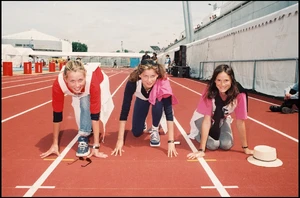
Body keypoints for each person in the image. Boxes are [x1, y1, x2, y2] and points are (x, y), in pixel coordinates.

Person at [40, 60, 114, 159]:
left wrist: (96, 146)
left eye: (80, 80)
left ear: (85, 77)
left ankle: (83, 135)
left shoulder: (92, 82)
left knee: (85, 102)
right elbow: (57, 114)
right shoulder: (58, 84)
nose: (77, 85)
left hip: (100, 81)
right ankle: (86, 128)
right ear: (66, 79)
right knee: (79, 108)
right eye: (72, 81)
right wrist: (54, 144)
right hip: (85, 85)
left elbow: (95, 114)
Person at [111, 59, 178, 157]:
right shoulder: (132, 82)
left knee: (158, 102)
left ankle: (155, 129)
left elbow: (169, 112)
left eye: (153, 76)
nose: (149, 80)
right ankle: (143, 123)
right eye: (145, 76)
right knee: (136, 132)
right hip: (141, 99)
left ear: (157, 75)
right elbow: (125, 109)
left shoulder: (163, 83)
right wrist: (120, 140)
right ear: (140, 75)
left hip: (157, 100)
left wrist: (171, 141)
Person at [187, 64, 253, 159]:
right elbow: (207, 120)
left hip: (222, 118)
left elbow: (240, 121)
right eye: (219, 80)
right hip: (202, 117)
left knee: (227, 145)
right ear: (214, 80)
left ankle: (217, 130)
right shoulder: (210, 90)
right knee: (213, 145)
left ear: (232, 80)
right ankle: (198, 133)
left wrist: (245, 148)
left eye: (226, 80)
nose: (222, 85)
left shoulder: (239, 94)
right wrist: (201, 150)